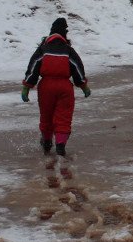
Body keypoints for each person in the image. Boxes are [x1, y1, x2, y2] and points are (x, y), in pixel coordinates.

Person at [21, 18, 90, 164]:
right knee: (63, 117)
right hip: (65, 88)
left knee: (46, 116)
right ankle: (60, 146)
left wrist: (26, 87)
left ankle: (46, 143)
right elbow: (78, 69)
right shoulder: (68, 50)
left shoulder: (43, 49)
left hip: (46, 87)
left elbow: (33, 68)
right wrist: (83, 86)